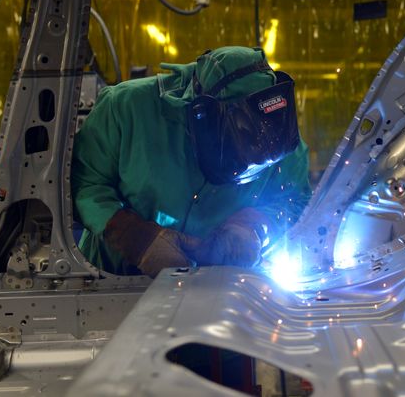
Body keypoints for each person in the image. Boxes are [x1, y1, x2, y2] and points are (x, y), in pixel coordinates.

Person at [72, 46, 311, 276]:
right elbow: (85, 184)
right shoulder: (125, 108)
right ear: (204, 116)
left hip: (217, 287)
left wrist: (256, 226)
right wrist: (134, 237)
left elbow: (294, 199)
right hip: (111, 282)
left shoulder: (283, 142)